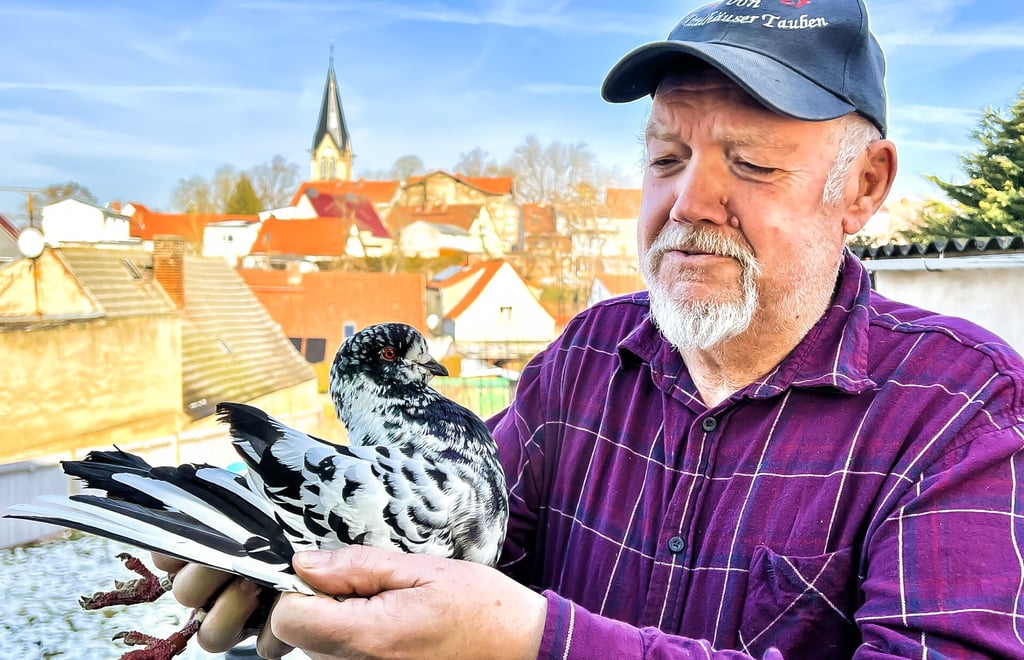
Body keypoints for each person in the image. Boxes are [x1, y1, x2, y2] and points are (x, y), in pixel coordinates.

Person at [157, 0, 1024, 657]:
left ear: (864, 186)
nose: (688, 203)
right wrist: (302, 552)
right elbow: (451, 548)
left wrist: (536, 642)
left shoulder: (961, 413)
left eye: (752, 163)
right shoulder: (584, 359)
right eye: (666, 158)